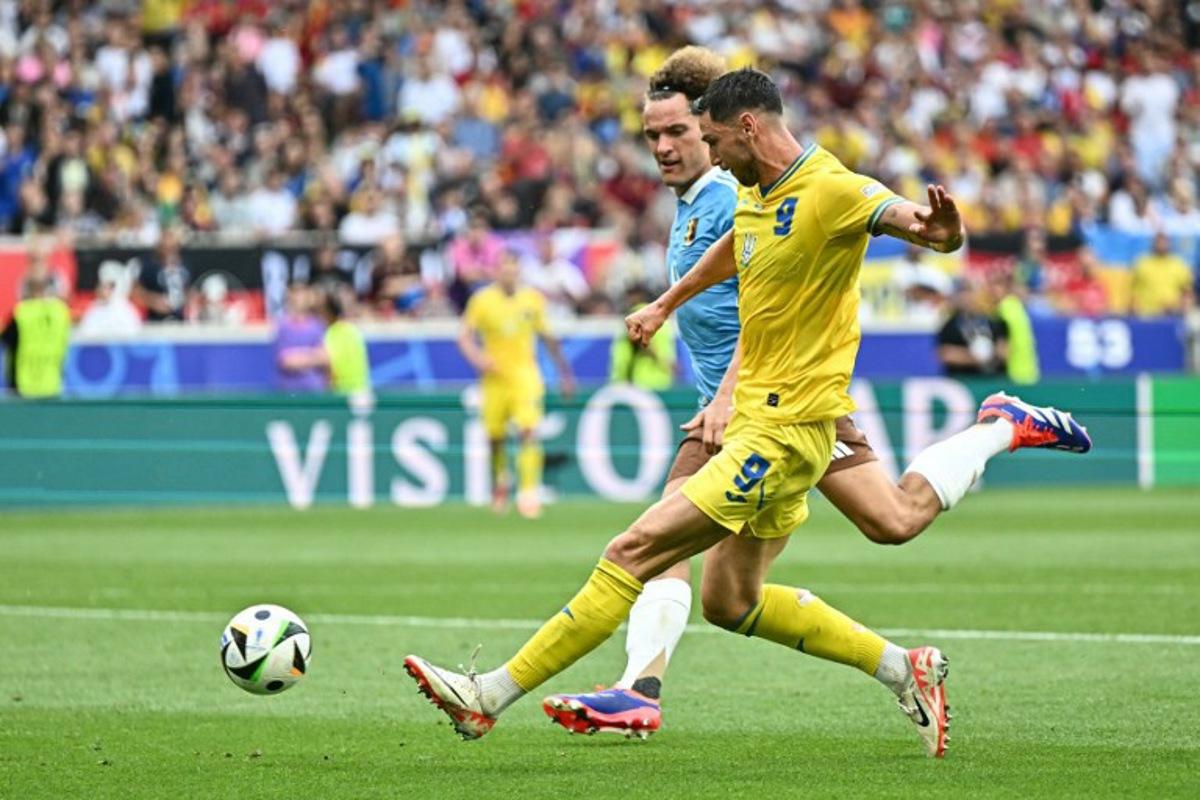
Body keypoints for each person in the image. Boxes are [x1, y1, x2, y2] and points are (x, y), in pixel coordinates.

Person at [403, 68, 1090, 759]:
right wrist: (668, 303)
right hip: (771, 425)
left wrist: (939, 233)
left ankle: (498, 695)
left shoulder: (831, 188)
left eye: (708, 138)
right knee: (737, 599)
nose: (707, 153)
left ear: (747, 128)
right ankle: (995, 438)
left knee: (634, 551)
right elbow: (739, 250)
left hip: (783, 434)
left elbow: (901, 217)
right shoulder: (758, 198)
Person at [458, 250, 575, 519]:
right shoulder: (482, 300)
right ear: (496, 271)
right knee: (495, 439)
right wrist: (478, 359)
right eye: (504, 269)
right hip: (494, 380)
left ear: (519, 271)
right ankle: (500, 482)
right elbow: (464, 336)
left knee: (527, 431)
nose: (509, 274)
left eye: (513, 269)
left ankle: (528, 494)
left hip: (525, 377)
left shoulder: (532, 300)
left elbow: (548, 338)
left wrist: (565, 374)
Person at [2, 272, 70, 398]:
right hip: (52, 382)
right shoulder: (60, 311)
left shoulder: (22, 312)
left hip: (24, 382)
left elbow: (6, 340)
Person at [609, 284, 676, 390]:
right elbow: (669, 360)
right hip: (661, 382)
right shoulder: (662, 321)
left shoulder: (631, 318)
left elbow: (623, 358)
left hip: (635, 383)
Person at [937, 280, 1008, 377]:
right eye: (963, 294)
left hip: (994, 379)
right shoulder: (950, 325)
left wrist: (992, 354)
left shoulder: (994, 322)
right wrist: (973, 358)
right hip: (965, 379)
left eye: (971, 293)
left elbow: (1004, 351)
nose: (967, 298)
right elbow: (945, 354)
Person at [273, 282, 327, 393]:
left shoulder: (318, 325)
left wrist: (299, 357)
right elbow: (286, 361)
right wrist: (312, 356)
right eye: (295, 295)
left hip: (314, 391)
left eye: (302, 295)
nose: (298, 299)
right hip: (289, 392)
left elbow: (324, 358)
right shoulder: (283, 326)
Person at [987, 271, 1040, 385]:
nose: (992, 290)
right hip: (1029, 372)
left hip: (1012, 373)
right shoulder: (1017, 306)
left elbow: (1003, 349)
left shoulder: (1003, 310)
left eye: (997, 285)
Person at [1131, 232, 1195, 317]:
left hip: (1172, 314)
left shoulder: (1178, 264)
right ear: (1153, 243)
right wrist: (1134, 306)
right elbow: (1132, 289)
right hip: (1146, 314)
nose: (1161, 245)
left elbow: (1187, 291)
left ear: (1169, 244)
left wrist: (1183, 308)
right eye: (1159, 242)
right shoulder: (1142, 263)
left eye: (1164, 243)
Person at [133, 229, 190, 322]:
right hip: (155, 319)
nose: (167, 246)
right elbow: (135, 292)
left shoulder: (184, 265)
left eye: (171, 247)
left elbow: (187, 289)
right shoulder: (148, 265)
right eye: (164, 245)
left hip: (179, 320)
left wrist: (185, 299)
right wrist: (152, 301)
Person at [78, 260, 142, 336]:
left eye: (109, 286)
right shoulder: (93, 308)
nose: (102, 289)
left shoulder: (126, 311)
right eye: (101, 285)